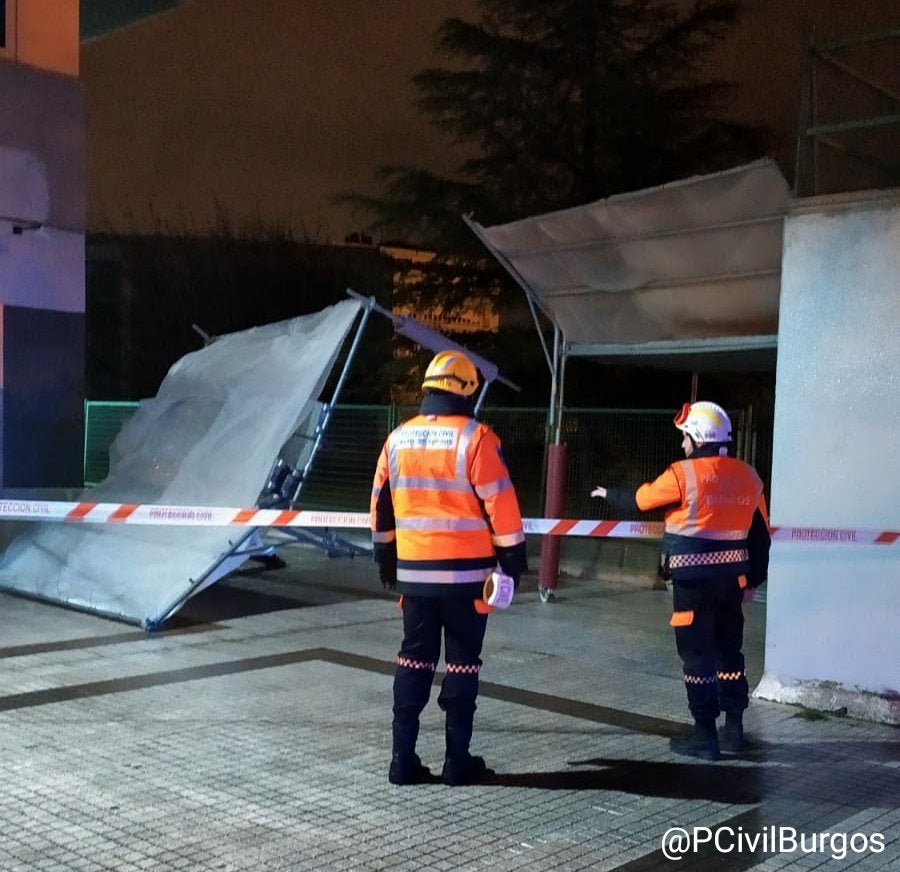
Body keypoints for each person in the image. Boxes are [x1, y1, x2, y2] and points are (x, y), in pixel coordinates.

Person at [370, 350, 528, 786]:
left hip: (415, 579)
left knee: (413, 661)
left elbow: (380, 507)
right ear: (467, 391)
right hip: (467, 581)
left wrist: (385, 555)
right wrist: (514, 561)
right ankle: (457, 763)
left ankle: (402, 761)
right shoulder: (477, 439)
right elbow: (502, 505)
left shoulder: (397, 439)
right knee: (462, 665)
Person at [591, 401, 770, 761]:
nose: (682, 443)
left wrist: (608, 494)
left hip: (692, 585)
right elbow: (761, 535)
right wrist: (753, 579)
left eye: (686, 436)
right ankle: (734, 729)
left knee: (696, 657)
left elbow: (641, 501)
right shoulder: (750, 476)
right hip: (731, 583)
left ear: (699, 437)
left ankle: (705, 736)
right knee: (730, 655)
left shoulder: (682, 474)